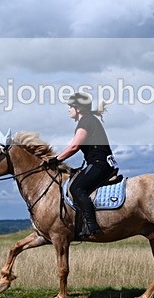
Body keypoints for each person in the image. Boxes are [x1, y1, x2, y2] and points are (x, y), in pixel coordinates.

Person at [47, 92, 116, 239]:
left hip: (99, 164)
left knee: (76, 187)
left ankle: (91, 225)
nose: (69, 109)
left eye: (71, 106)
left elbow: (74, 146)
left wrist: (56, 159)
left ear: (79, 108)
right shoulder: (90, 120)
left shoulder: (86, 121)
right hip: (99, 162)